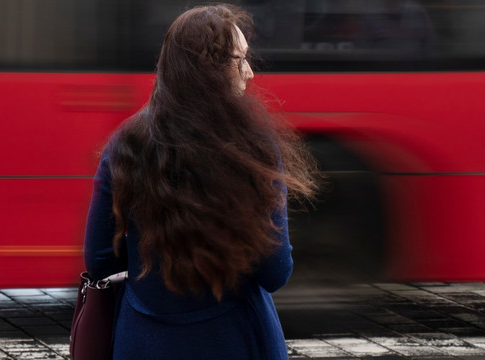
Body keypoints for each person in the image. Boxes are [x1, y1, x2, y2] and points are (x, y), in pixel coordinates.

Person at [83, 3, 318, 359]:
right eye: (240, 60)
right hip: (236, 339)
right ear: (210, 70)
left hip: (144, 340)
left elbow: (100, 260)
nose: (250, 72)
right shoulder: (253, 147)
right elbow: (275, 272)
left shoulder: (124, 142)